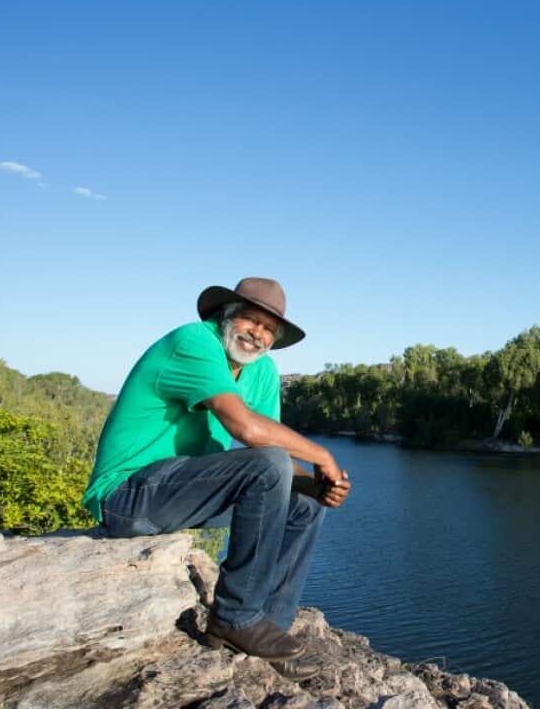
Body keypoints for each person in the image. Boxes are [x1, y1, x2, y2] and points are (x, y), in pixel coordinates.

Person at [81, 277, 349, 680]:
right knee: (271, 466)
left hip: (182, 496)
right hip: (127, 496)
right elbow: (247, 431)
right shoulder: (193, 342)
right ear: (225, 315)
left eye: (268, 330)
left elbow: (269, 453)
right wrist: (322, 456)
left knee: (305, 505)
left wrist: (316, 485)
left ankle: (266, 630)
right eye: (250, 320)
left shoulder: (261, 371)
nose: (257, 335)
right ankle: (234, 615)